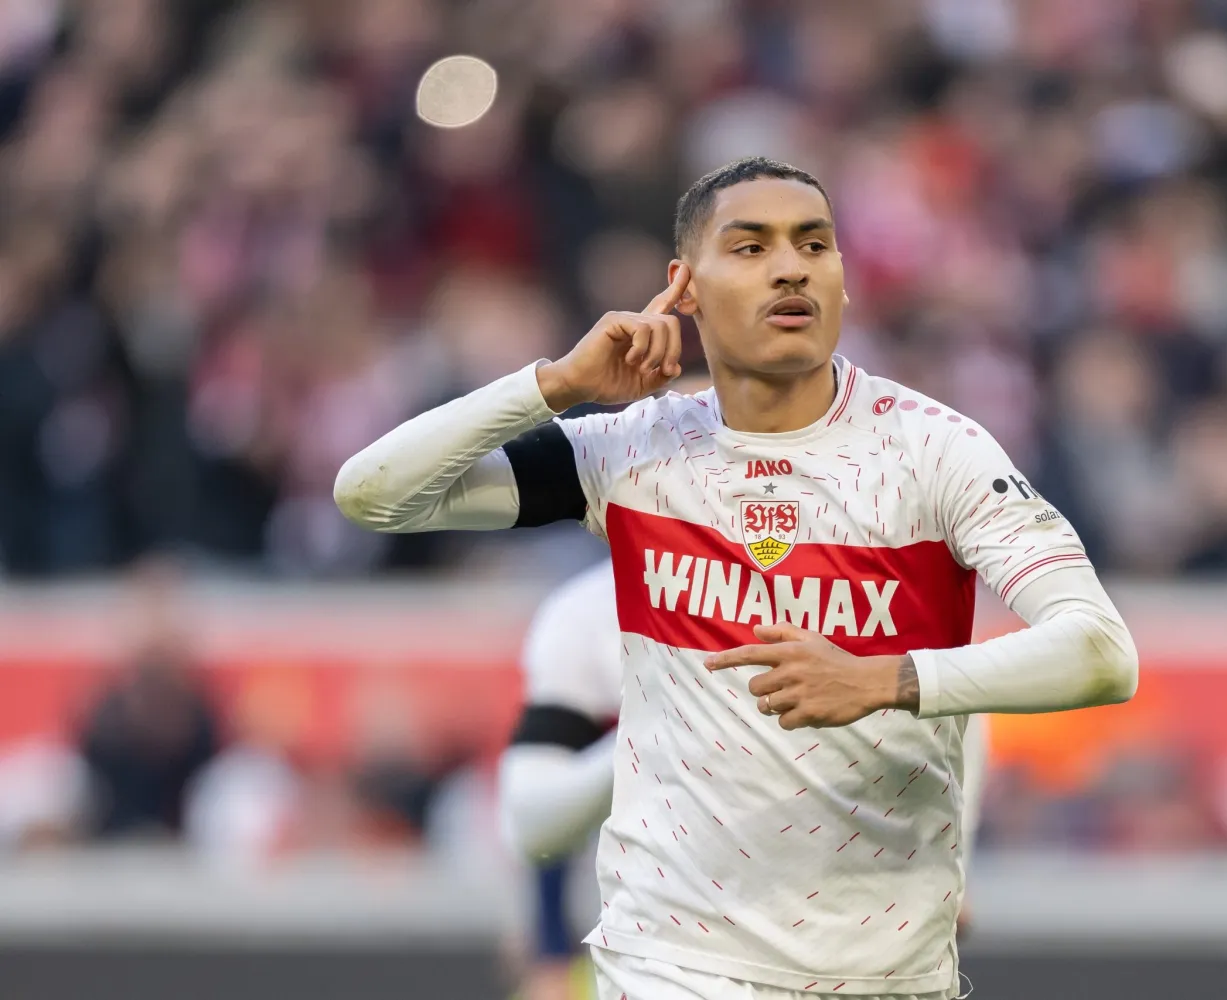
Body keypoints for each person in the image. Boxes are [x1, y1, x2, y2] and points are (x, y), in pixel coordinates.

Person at [336, 156, 1138, 1000]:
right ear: (684, 288)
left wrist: (885, 680)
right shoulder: (631, 450)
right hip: (667, 965)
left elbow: (1100, 652)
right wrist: (556, 385)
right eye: (751, 247)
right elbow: (373, 494)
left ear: (842, 282)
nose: (791, 267)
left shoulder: (936, 451)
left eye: (814, 245)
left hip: (887, 971)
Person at [499, 557, 990, 999]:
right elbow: (532, 821)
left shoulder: (859, 576)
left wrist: (956, 858)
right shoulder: (587, 615)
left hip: (853, 942)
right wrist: (655, 732)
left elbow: (942, 697)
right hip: (668, 949)